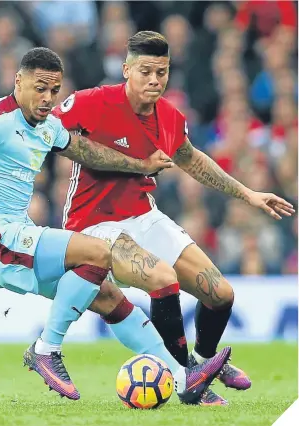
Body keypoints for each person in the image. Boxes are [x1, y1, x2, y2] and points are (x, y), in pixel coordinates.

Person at [0, 47, 231, 404]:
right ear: (18, 81)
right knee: (99, 252)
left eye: (54, 90)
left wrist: (140, 165)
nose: (48, 98)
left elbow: (88, 152)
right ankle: (46, 349)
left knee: (110, 297)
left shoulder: (48, 126)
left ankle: (183, 381)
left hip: (14, 237)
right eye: (39, 88)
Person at [53, 32, 295, 405]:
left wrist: (248, 194)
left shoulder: (169, 116)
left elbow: (191, 159)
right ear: (126, 70)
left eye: (161, 72)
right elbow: (45, 132)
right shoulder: (92, 102)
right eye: (146, 71)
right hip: (94, 225)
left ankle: (202, 360)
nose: (154, 80)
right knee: (162, 280)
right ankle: (186, 381)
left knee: (221, 294)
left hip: (144, 216)